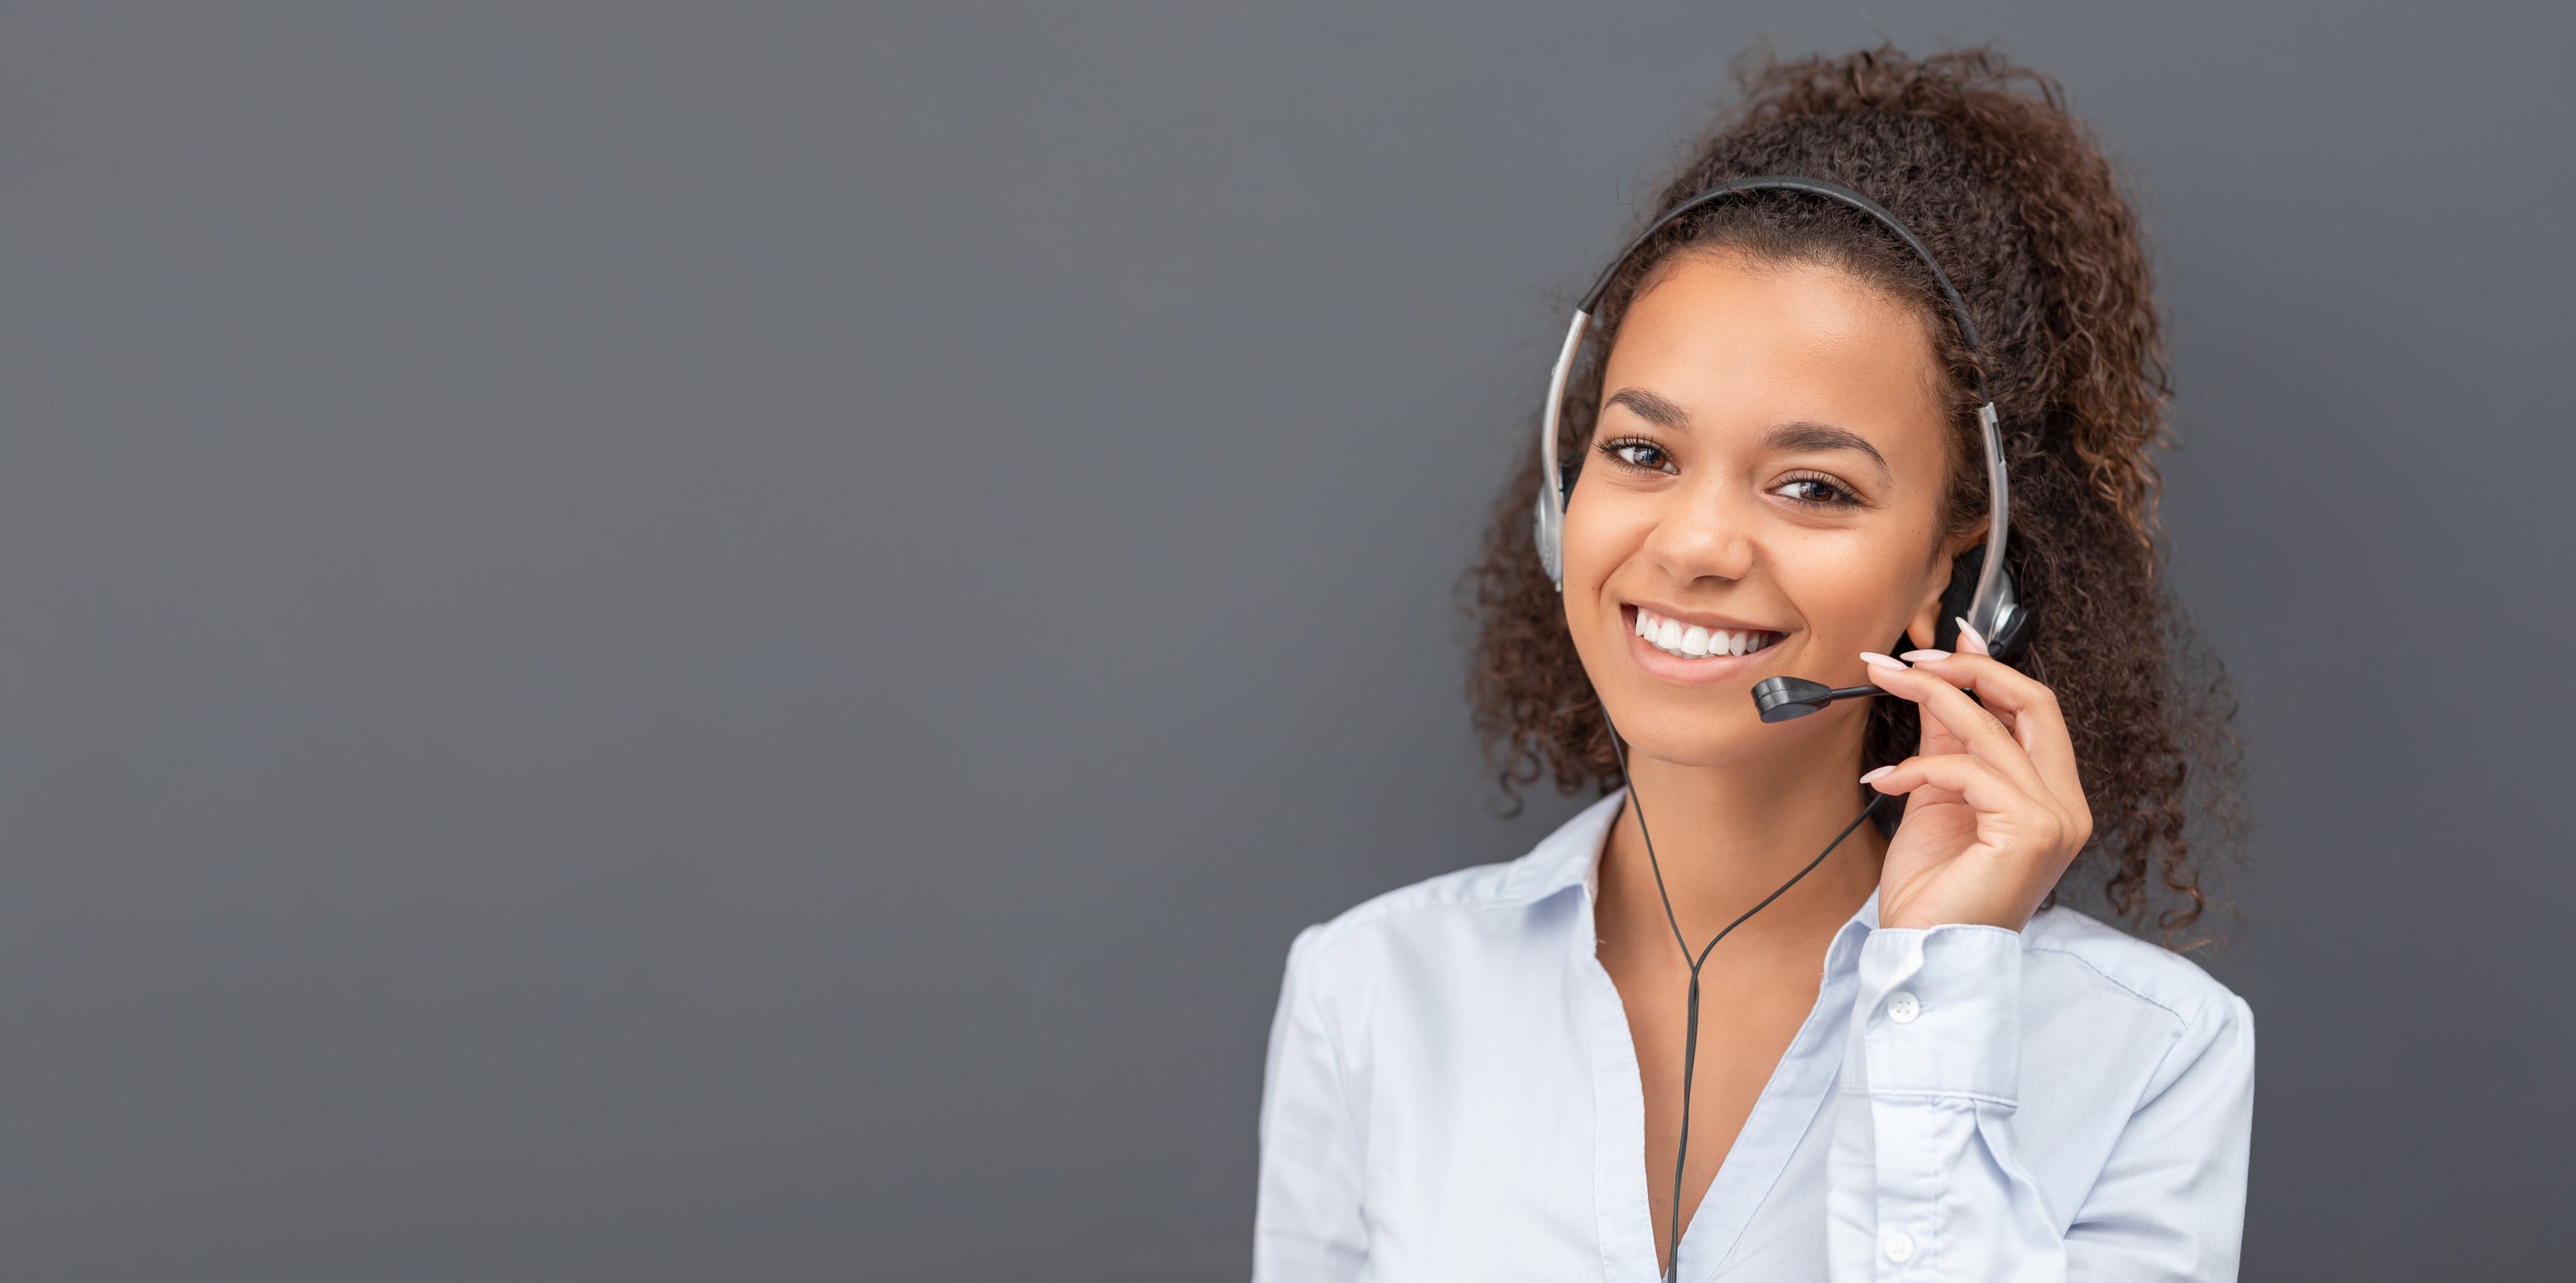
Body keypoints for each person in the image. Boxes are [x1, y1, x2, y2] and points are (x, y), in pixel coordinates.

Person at [1251, 48, 2253, 1282]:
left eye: (1811, 486)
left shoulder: (2146, 1052)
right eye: (1643, 454)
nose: (1697, 544)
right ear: (1563, 503)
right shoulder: (1371, 994)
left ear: (1956, 565)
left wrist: (1943, 997)